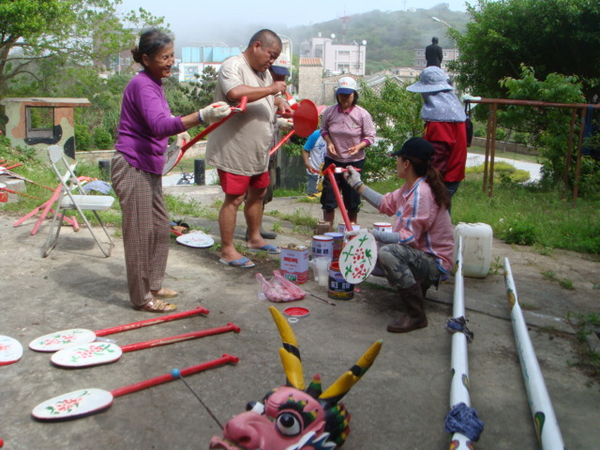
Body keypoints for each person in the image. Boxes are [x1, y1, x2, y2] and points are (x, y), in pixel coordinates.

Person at [111, 29, 232, 312]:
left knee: (158, 226)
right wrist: (201, 116)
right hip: (132, 166)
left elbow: (160, 123)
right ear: (146, 58)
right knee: (140, 234)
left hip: (147, 167)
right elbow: (157, 125)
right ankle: (142, 298)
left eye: (172, 55)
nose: (170, 62)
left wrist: (176, 136)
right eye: (164, 57)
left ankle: (153, 283)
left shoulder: (154, 85)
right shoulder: (141, 85)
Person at [343, 137, 454, 333]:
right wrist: (357, 185)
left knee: (387, 253)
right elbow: (386, 203)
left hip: (435, 263)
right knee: (369, 251)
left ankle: (416, 315)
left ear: (406, 163)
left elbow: (407, 238)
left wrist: (368, 233)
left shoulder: (421, 194)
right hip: (421, 255)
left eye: (398, 158)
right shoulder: (411, 187)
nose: (396, 162)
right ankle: (418, 287)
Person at [206, 29, 292, 268]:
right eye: (270, 54)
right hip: (235, 148)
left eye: (275, 57)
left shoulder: (262, 74)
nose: (271, 61)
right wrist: (272, 90)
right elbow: (235, 93)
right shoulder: (233, 65)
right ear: (256, 46)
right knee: (234, 198)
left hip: (258, 151)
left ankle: (254, 238)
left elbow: (262, 98)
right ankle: (227, 249)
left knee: (258, 193)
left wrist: (278, 102)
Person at [320, 76, 375, 228]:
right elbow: (323, 130)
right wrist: (329, 142)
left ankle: (352, 227)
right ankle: (327, 227)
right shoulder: (329, 112)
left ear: (354, 95)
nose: (344, 99)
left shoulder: (362, 114)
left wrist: (359, 146)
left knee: (352, 196)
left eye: (348, 95)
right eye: (342, 95)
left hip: (354, 160)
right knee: (329, 194)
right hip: (333, 159)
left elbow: (370, 137)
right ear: (337, 95)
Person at [407, 66, 467, 198]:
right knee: (442, 215)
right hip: (453, 173)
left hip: (442, 178)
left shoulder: (440, 119)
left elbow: (439, 154)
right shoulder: (454, 111)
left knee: (433, 216)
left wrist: (428, 181)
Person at [303, 128, 326, 198]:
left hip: (330, 173)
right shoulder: (316, 135)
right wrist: (307, 163)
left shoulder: (338, 135)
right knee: (312, 196)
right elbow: (305, 150)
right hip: (315, 171)